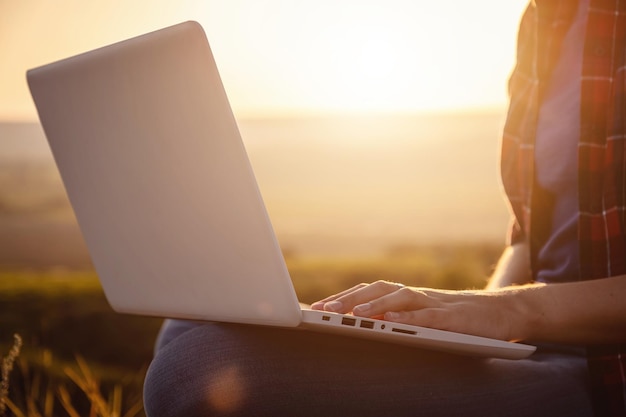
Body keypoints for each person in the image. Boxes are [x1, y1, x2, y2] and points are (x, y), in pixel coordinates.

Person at [143, 1, 626, 416]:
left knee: (195, 368)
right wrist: (467, 339)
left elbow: (519, 306)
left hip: (603, 371)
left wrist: (513, 311)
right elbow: (531, 235)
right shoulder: (547, 20)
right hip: (534, 350)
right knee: (193, 323)